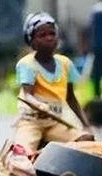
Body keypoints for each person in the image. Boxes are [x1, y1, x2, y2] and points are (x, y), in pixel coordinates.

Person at [14, 12, 94, 154]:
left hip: (55, 122)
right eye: (42, 35)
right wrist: (39, 105)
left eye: (52, 34)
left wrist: (86, 124)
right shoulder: (27, 64)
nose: (49, 38)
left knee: (86, 139)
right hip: (31, 120)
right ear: (31, 41)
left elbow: (71, 98)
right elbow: (27, 94)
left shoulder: (65, 63)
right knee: (22, 152)